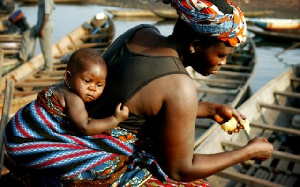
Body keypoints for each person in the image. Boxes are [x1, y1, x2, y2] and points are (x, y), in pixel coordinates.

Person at [5, 0, 273, 186]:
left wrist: (212, 109)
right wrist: (248, 152)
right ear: (194, 45)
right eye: (222, 55)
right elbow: (181, 169)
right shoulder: (180, 86)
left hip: (77, 130)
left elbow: (140, 100)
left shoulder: (140, 33)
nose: (222, 63)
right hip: (96, 156)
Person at [18, 0, 55, 71]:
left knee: (45, 48)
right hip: (39, 26)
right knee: (27, 34)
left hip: (45, 27)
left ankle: (48, 68)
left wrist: (42, 29)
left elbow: (47, 15)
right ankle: (23, 58)